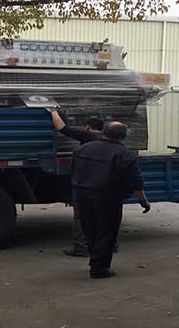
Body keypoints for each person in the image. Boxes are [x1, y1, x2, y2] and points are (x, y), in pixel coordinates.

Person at [72, 121, 151, 279]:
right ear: (123, 136)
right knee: (107, 233)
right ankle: (99, 269)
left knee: (90, 230)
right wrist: (143, 201)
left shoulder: (83, 148)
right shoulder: (125, 154)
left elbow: (74, 170)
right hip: (108, 199)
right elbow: (135, 182)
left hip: (82, 196)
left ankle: (95, 262)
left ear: (103, 132)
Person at [49, 109, 103, 257]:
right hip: (105, 185)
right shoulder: (109, 140)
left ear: (87, 127)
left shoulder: (87, 136)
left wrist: (53, 111)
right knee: (104, 215)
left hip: (88, 185)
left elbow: (62, 128)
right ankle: (110, 246)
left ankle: (81, 247)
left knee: (82, 215)